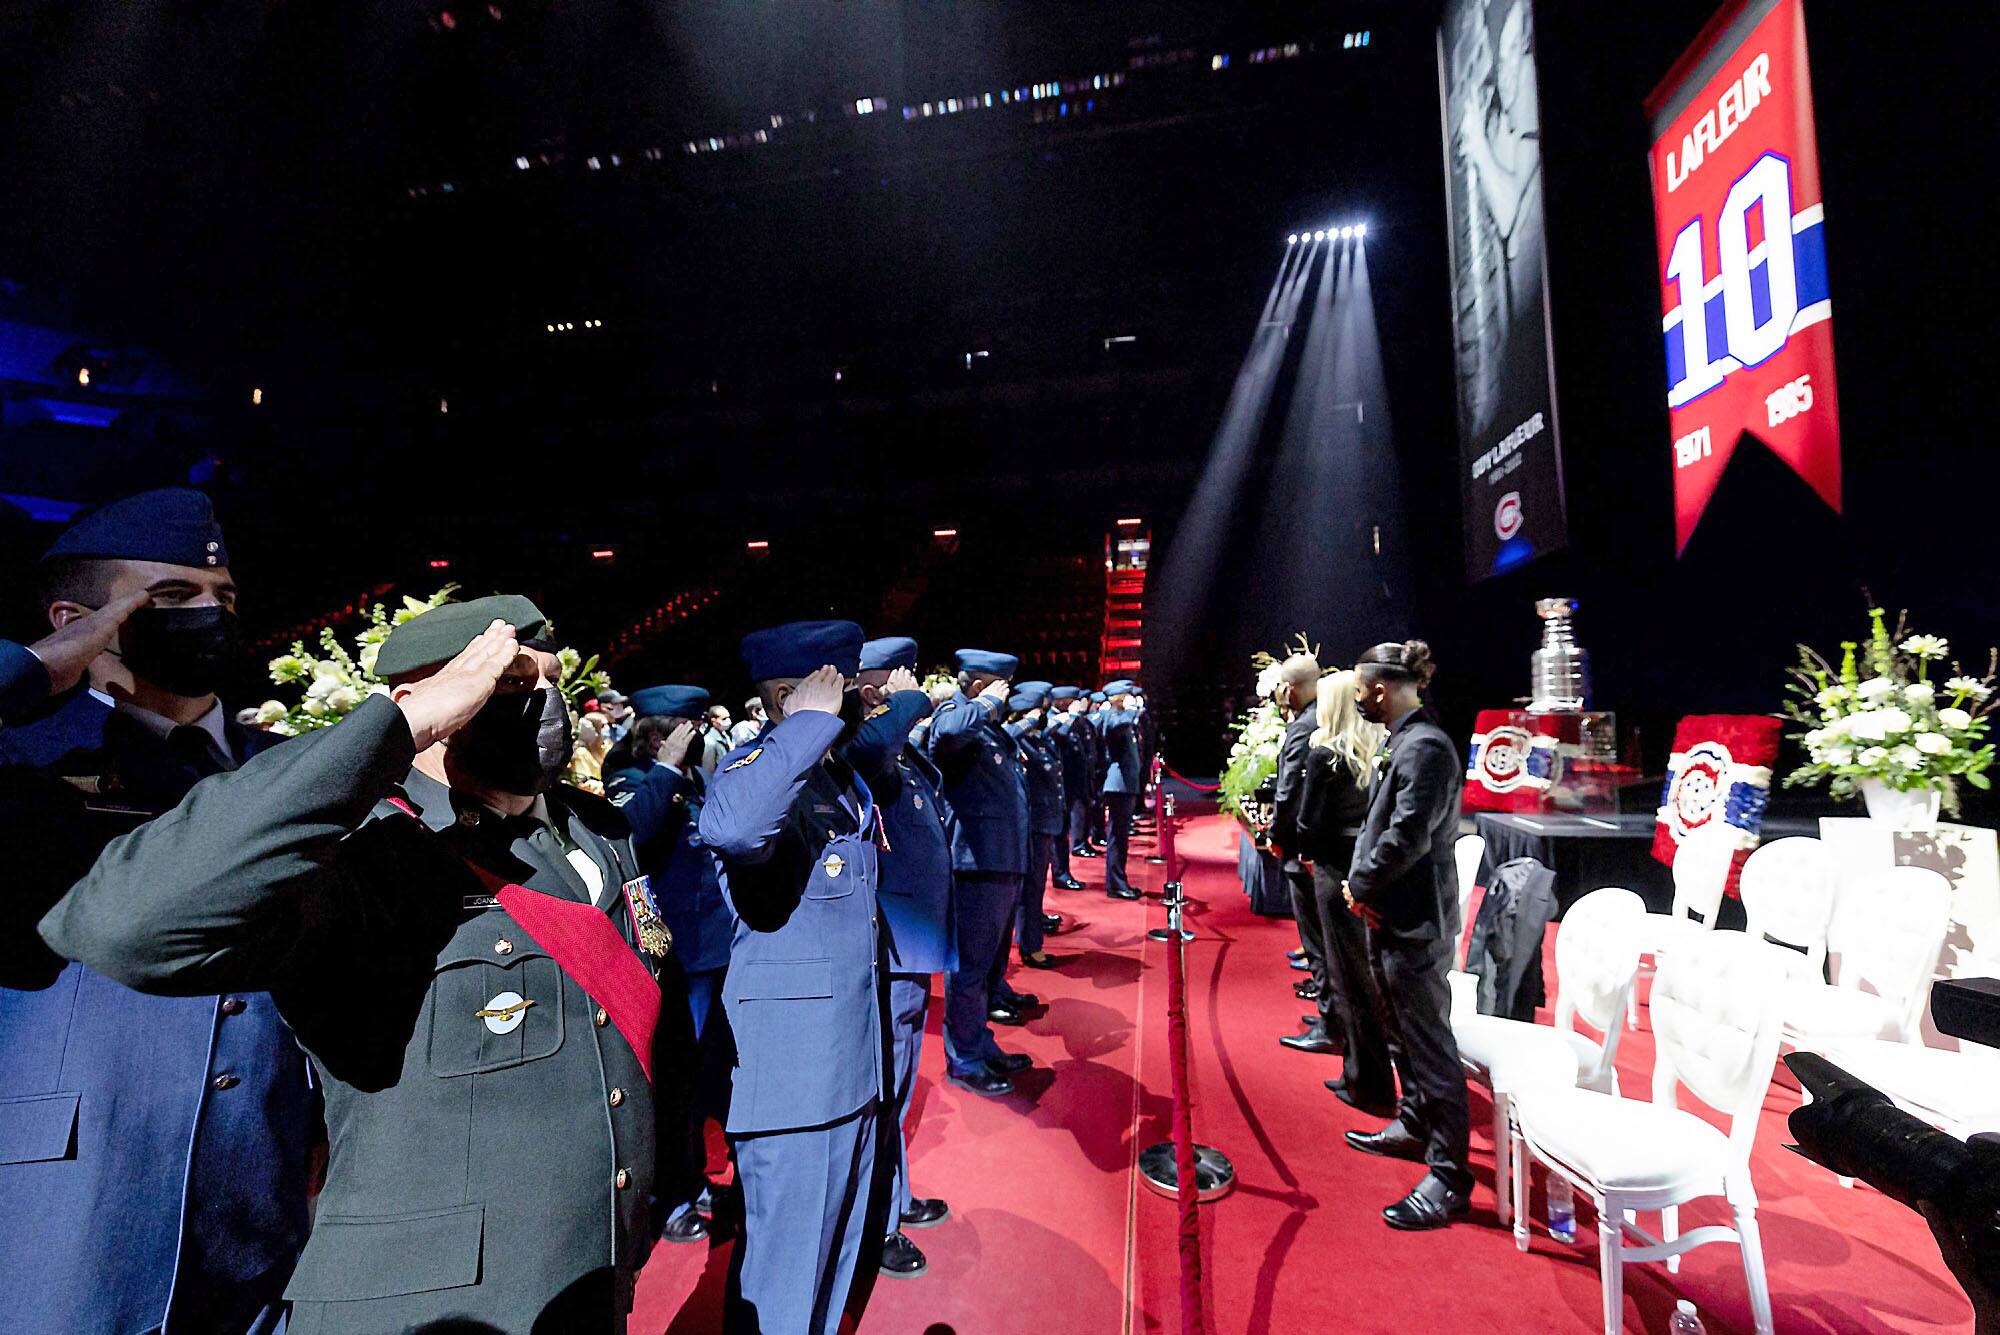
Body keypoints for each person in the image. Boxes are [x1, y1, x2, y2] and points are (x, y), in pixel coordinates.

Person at [41, 598, 689, 1331]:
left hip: (586, 1279)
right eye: (509, 684)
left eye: (552, 683)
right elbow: (125, 926)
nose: (544, 705)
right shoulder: (360, 851)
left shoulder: (593, 828)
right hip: (428, 1302)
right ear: (431, 703)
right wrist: (389, 732)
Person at [1, 488, 316, 1335]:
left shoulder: (288, 771)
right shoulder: (24, 759)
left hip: (262, 1194)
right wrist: (35, 670)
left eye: (224, 596)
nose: (211, 614)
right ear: (78, 619)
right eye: (172, 598)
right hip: (70, 1188)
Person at [700, 621, 887, 1335]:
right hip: (795, 1085)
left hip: (849, 1069)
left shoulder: (840, 778)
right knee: (782, 1289)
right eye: (847, 684)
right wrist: (804, 720)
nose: (864, 697)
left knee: (831, 1273)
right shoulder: (751, 772)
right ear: (790, 693)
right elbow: (735, 831)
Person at [1341, 639, 1474, 1230]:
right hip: (1391, 912)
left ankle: (1450, 1175)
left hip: (1413, 919)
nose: (1359, 699)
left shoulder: (1425, 748)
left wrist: (1360, 884)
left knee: (1428, 1043)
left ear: (1381, 688)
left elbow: (1406, 837)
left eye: (1363, 689)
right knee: (1397, 1028)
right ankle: (1416, 1122)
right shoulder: (1406, 743)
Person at [605, 683, 737, 1246]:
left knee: (709, 1073)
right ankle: (672, 1190)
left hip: (714, 948)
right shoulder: (630, 782)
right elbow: (628, 837)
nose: (693, 741)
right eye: (682, 731)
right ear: (656, 735)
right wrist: (663, 770)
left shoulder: (698, 781)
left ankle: (699, 1177)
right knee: (672, 1079)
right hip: (668, 954)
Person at [847, 636, 956, 1280]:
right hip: (890, 946)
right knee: (884, 1090)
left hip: (912, 943)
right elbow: (869, 749)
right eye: (904, 675)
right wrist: (906, 699)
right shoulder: (866, 740)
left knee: (899, 1084)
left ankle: (894, 1196)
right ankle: (876, 1221)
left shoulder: (901, 747)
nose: (917, 682)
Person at [925, 647, 1034, 1096]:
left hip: (1000, 861)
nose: (1004, 696)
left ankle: (980, 1044)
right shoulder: (957, 714)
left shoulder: (988, 732)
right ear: (976, 685)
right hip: (976, 863)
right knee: (969, 970)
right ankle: (964, 1059)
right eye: (998, 686)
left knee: (988, 967)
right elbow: (945, 733)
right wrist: (984, 703)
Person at [1297, 670, 1395, 1114]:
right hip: (1369, 870)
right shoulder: (1377, 750)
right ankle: (1358, 1071)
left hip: (1334, 870)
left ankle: (1368, 1085)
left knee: (1350, 979)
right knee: (1364, 976)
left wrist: (1307, 851)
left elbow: (1307, 821)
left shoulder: (1326, 756)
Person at [1266, 653, 1332, 1053]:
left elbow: (1288, 790)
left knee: (1317, 939)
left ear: (1290, 687)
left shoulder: (1302, 726)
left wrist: (1275, 833)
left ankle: (1330, 1022)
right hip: (1321, 842)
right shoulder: (1324, 719)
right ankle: (1331, 1014)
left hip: (1303, 845)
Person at [1004, 682, 1064, 969]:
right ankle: (1030, 944)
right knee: (1031, 888)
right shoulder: (1018, 741)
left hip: (1044, 821)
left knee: (1035, 887)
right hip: (1033, 824)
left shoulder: (1038, 740)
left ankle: (1030, 937)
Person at [1096, 679, 1144, 901]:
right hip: (1118, 785)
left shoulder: (1122, 717)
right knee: (1117, 837)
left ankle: (1119, 879)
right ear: (1116, 697)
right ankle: (1116, 883)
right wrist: (1132, 710)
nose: (1129, 698)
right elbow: (1116, 728)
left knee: (1121, 838)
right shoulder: (1112, 717)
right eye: (1125, 695)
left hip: (1125, 784)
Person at [1044, 685, 1089, 888]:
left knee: (1062, 832)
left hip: (1069, 782)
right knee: (1058, 833)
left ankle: (1063, 872)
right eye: (1072, 700)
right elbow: (1058, 737)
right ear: (1062, 702)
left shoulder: (1068, 720)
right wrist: (1070, 718)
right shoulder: (1052, 720)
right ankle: (1060, 874)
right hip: (1056, 784)